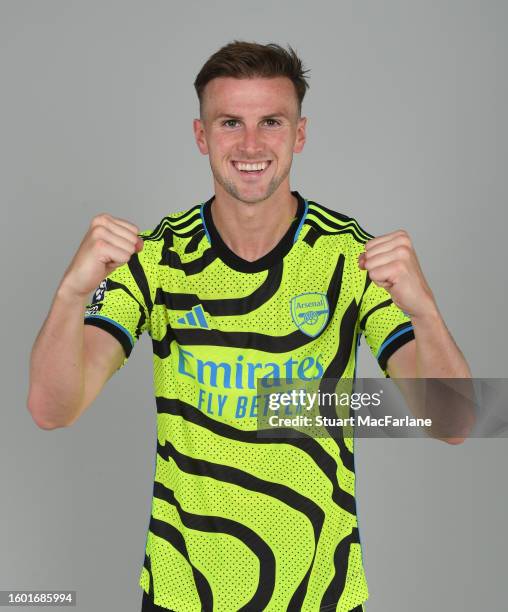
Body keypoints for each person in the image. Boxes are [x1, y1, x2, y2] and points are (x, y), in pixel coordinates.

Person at [27, 41, 472, 612]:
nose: (252, 144)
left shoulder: (351, 256)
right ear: (201, 135)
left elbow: (453, 422)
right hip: (181, 595)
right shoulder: (155, 257)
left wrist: (426, 311)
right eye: (230, 122)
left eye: (272, 122)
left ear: (300, 134)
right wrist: (70, 293)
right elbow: (51, 409)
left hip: (322, 598)